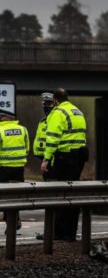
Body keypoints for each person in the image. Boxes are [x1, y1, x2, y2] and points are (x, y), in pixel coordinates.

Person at [41, 88, 88, 240]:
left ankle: (59, 233)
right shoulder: (77, 111)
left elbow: (53, 138)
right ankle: (70, 233)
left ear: (55, 99)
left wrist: (46, 159)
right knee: (72, 195)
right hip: (79, 157)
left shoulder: (58, 113)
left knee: (61, 195)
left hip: (65, 158)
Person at [0, 108, 29, 182]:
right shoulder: (23, 129)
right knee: (19, 188)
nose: (0, 119)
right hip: (20, 165)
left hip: (4, 165)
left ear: (7, 118)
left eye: (1, 117)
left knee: (4, 189)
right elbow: (27, 147)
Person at [33, 92, 55, 180]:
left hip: (55, 161)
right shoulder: (43, 122)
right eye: (44, 104)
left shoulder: (56, 119)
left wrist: (46, 160)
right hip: (45, 160)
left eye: (49, 104)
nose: (46, 106)